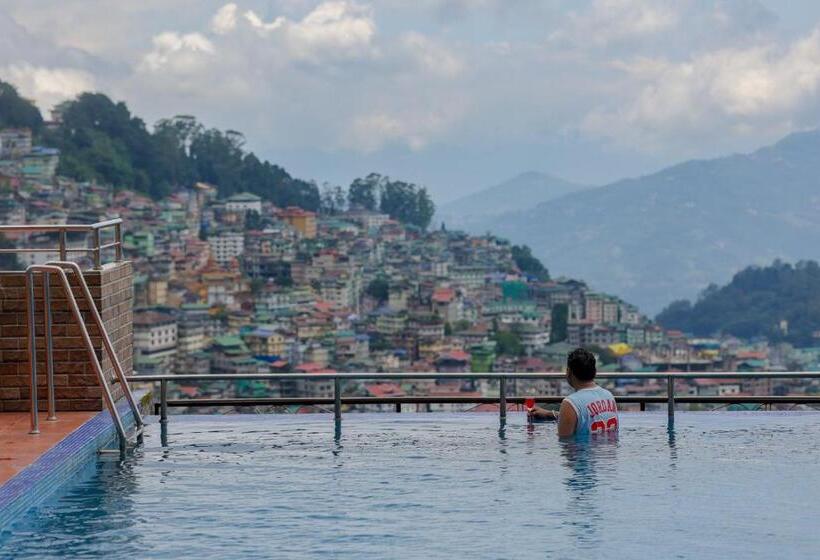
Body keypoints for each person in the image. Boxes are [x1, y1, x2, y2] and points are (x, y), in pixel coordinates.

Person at [528, 347, 619, 437]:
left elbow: (565, 443)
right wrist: (549, 414)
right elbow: (586, 418)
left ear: (569, 372)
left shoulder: (571, 403)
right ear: (594, 372)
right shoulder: (609, 396)